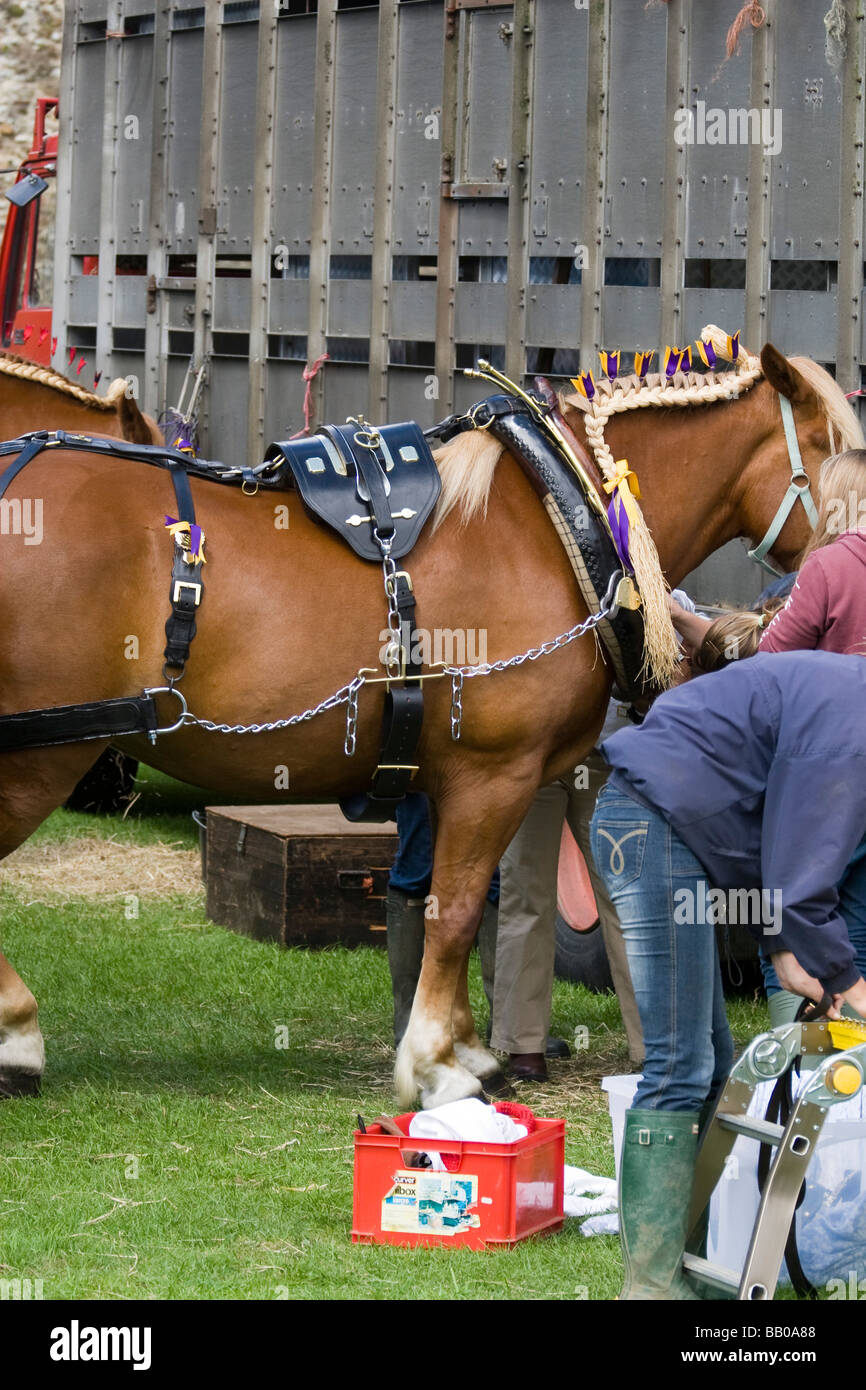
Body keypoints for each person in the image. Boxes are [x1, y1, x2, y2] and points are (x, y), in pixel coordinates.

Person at [590, 649, 866, 1300]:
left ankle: (697, 1266)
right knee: (679, 1063)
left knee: (714, 1062)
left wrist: (833, 977)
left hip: (692, 832)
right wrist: (844, 982)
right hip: (651, 822)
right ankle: (651, 1286)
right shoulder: (854, 727)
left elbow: (831, 887)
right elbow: (801, 875)